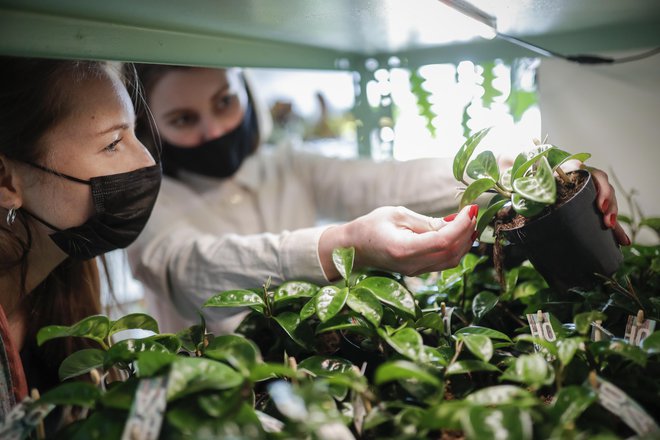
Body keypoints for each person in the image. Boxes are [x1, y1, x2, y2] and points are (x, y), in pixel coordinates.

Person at [128, 65, 628, 334]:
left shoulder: (289, 165)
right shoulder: (147, 205)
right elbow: (187, 268)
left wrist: (538, 169)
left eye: (224, 101)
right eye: (184, 120)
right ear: (149, 128)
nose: (216, 129)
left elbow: (384, 182)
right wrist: (342, 245)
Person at [0, 57, 161, 416]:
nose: (148, 162)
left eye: (135, 133)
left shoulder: (67, 277)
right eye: (113, 144)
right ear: (6, 180)